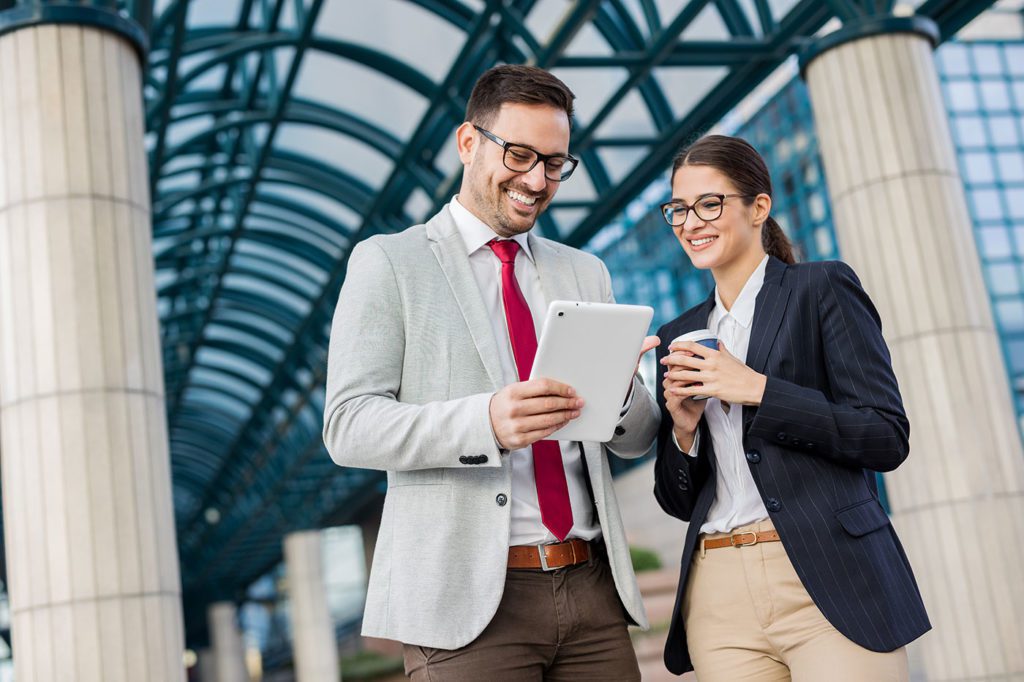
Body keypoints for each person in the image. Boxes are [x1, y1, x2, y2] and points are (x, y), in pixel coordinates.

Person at [322, 64, 660, 681]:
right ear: (468, 142)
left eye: (555, 163)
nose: (538, 179)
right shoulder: (388, 264)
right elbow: (348, 425)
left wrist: (619, 396)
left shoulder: (586, 272)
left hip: (592, 589)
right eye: (522, 154)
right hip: (466, 603)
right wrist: (486, 422)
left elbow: (637, 439)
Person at [653, 134, 930, 681]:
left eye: (710, 203)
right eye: (679, 209)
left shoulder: (820, 287)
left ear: (759, 207)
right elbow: (677, 499)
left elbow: (884, 435)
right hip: (718, 589)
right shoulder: (678, 334)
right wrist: (683, 431)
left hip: (825, 576)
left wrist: (758, 389)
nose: (691, 222)